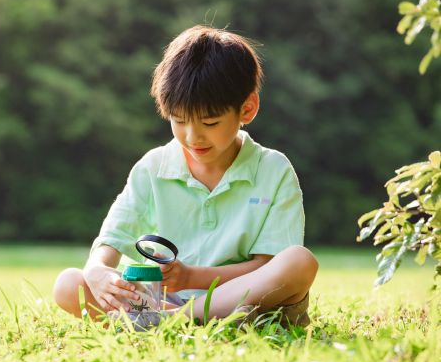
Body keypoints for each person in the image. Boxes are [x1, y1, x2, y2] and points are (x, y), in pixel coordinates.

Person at [53, 25, 319, 328]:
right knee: (68, 283)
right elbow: (112, 240)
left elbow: (267, 266)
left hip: (251, 302)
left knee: (299, 261)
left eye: (210, 122)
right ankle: (164, 320)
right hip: (165, 301)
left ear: (247, 109)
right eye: (178, 121)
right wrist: (98, 270)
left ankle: (170, 322)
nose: (193, 137)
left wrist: (193, 277)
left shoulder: (273, 170)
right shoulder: (153, 167)